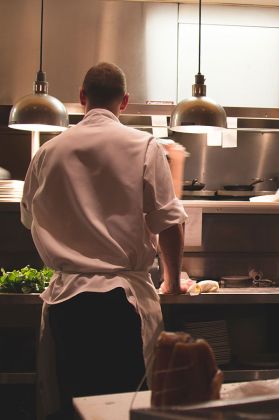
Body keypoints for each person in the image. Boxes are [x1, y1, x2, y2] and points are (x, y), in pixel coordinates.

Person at [20, 62, 188, 418]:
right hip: (121, 305)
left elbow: (29, 219)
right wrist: (172, 282)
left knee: (74, 407)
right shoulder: (144, 146)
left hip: (66, 304)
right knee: (124, 409)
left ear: (82, 97)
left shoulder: (47, 152)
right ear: (124, 101)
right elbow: (170, 223)